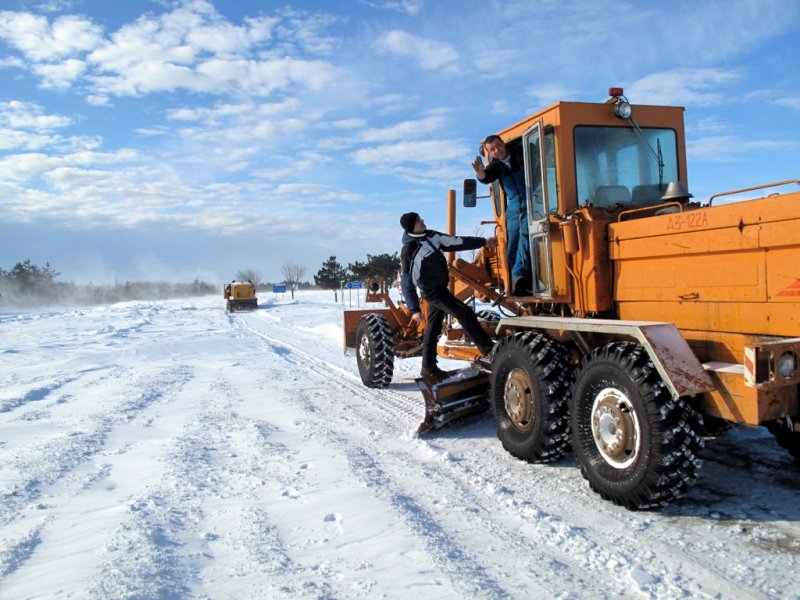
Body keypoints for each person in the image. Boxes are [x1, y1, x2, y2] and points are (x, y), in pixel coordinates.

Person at [399, 211, 497, 379]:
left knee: (433, 329)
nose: (422, 221)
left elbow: (456, 241)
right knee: (464, 313)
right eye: (418, 221)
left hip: (440, 288)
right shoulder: (411, 249)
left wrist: (483, 242)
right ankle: (490, 351)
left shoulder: (431, 236)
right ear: (411, 227)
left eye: (420, 218)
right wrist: (414, 309)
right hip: (432, 292)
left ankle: (428, 368)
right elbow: (407, 281)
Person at [471, 134, 531, 295]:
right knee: (510, 243)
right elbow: (486, 177)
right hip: (513, 206)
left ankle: (520, 276)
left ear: (504, 144)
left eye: (498, 145)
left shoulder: (522, 153)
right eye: (492, 149)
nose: (497, 150)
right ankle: (512, 282)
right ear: (489, 154)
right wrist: (480, 173)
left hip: (530, 202)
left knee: (525, 236)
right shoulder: (496, 166)